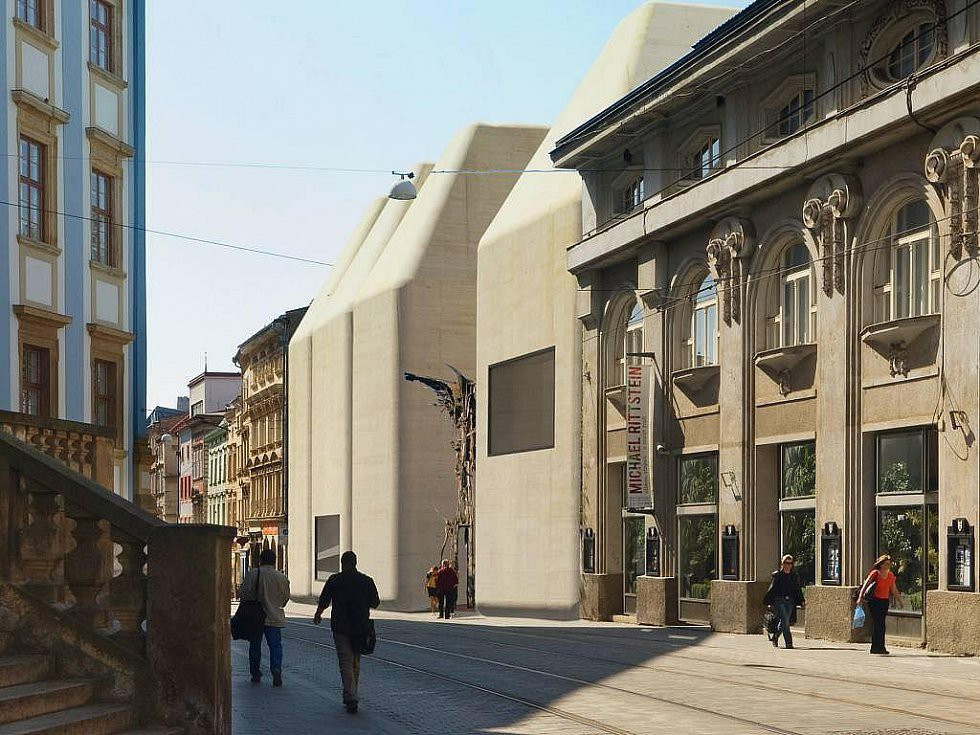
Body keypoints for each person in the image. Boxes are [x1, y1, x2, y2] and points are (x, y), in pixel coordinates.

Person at [313, 551, 380, 713]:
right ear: (355, 563)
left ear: (342, 564)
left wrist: (318, 614)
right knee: (355, 661)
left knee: (345, 661)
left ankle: (351, 695)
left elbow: (324, 600)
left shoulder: (335, 580)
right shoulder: (366, 580)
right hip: (360, 626)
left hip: (341, 626)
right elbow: (375, 602)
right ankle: (352, 693)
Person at [238, 548, 290, 686]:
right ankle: (276, 670)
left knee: (255, 645)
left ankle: (255, 673)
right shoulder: (281, 577)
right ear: (274, 561)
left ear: (260, 560)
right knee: (275, 646)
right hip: (274, 617)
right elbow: (285, 599)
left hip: (255, 618)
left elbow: (243, 593)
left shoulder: (253, 574)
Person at [857, 554, 904, 655]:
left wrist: (900, 601)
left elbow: (894, 589)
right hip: (874, 601)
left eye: (889, 564)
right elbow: (865, 585)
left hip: (884, 601)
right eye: (886, 564)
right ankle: (875, 647)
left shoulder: (890, 575)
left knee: (881, 625)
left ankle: (880, 647)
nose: (888, 566)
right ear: (881, 564)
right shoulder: (875, 573)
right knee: (878, 624)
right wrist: (860, 597)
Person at [763, 554, 805, 649]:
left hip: (790, 601)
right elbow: (772, 589)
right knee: (785, 620)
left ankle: (775, 636)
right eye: (786, 563)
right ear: (782, 563)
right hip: (779, 600)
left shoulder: (794, 575)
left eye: (790, 563)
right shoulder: (777, 575)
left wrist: (802, 600)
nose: (788, 565)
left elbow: (797, 589)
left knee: (785, 621)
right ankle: (789, 643)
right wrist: (769, 602)